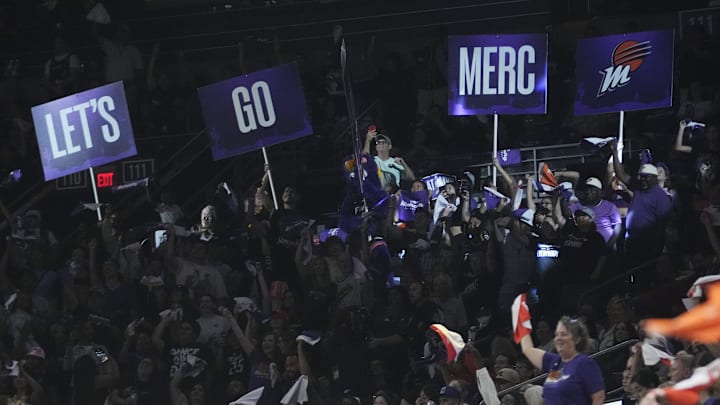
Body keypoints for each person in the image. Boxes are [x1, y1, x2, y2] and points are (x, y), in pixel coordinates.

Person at [519, 316, 605, 404]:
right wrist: (520, 318)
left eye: (563, 334)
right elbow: (527, 349)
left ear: (577, 339)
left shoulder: (584, 363)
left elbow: (598, 396)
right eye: (556, 335)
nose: (558, 338)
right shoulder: (554, 362)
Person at [571, 177, 622, 249]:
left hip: (607, 244)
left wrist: (611, 243)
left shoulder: (609, 206)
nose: (588, 191)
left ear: (599, 192)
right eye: (587, 189)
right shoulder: (580, 205)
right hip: (586, 245)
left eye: (592, 189)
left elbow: (618, 226)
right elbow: (568, 213)